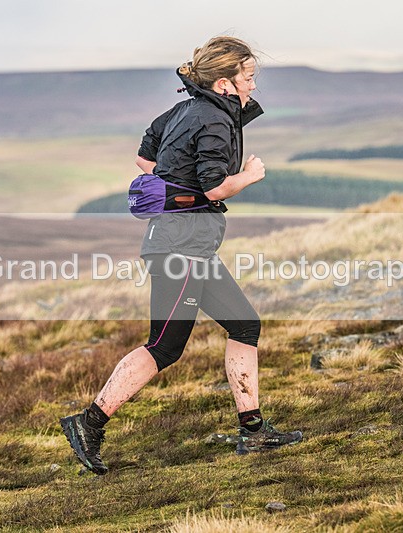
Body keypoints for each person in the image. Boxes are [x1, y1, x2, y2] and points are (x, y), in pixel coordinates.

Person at [60, 36, 302, 475]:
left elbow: (144, 159)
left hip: (188, 243)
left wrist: (176, 184)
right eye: (249, 77)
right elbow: (215, 187)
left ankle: (253, 431)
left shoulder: (184, 110)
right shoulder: (214, 120)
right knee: (164, 346)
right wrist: (249, 175)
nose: (253, 85)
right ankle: (88, 423)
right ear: (225, 83)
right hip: (180, 247)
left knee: (245, 325)